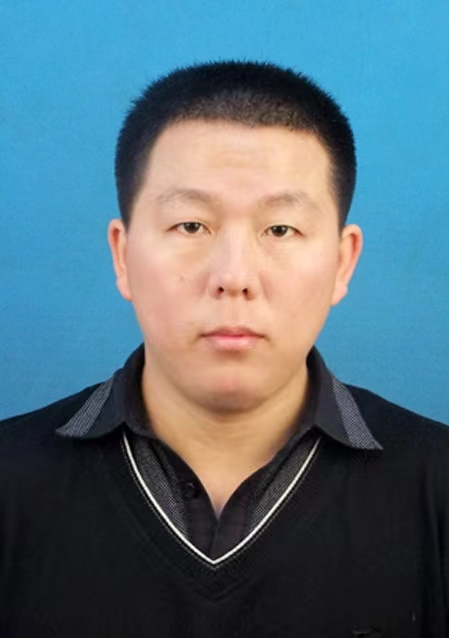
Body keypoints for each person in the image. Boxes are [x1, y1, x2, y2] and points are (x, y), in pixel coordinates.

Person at [1, 60, 448, 637]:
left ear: (343, 262)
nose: (234, 276)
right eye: (191, 226)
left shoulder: (436, 487)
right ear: (122, 254)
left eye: (280, 229)